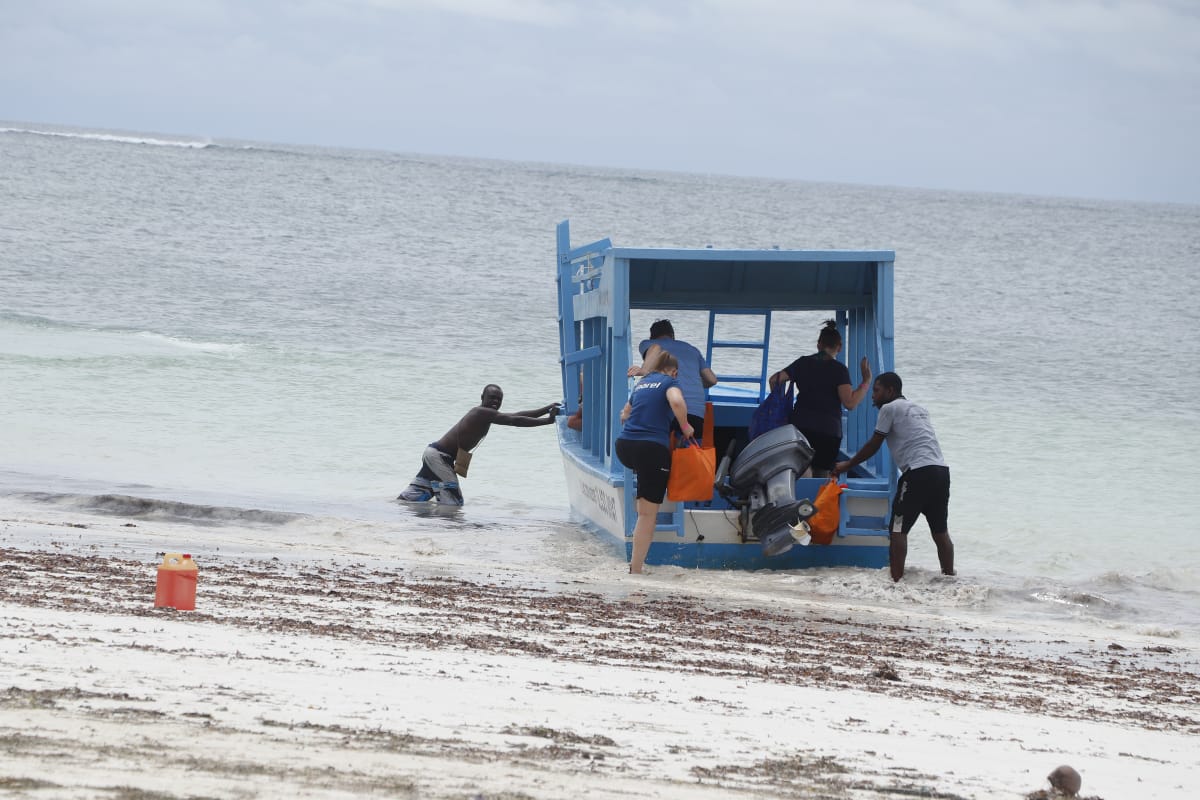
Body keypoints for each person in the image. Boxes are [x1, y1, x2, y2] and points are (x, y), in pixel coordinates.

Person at [833, 372, 954, 582]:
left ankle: (896, 583)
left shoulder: (889, 408)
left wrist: (848, 463)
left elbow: (874, 444)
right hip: (941, 471)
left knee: (897, 529)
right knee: (940, 531)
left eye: (876, 391)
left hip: (918, 473)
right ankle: (949, 579)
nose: (872, 396)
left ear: (890, 391)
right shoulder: (919, 409)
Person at [397, 385, 559, 506]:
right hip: (439, 457)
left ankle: (396, 514)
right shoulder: (481, 412)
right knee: (453, 499)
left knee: (418, 493)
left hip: (436, 455)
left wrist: (546, 409)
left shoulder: (487, 414)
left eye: (499, 399)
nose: (495, 402)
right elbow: (514, 421)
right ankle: (447, 531)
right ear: (482, 397)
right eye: (492, 398)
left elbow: (516, 415)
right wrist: (547, 421)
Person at [616, 353, 693, 574]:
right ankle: (636, 569)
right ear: (674, 371)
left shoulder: (642, 383)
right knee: (648, 514)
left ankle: (636, 563)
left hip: (624, 446)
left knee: (644, 502)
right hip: (650, 449)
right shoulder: (670, 382)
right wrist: (685, 427)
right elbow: (677, 401)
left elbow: (624, 413)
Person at [768, 319, 871, 477]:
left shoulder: (802, 363)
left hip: (800, 428)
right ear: (839, 348)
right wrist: (865, 382)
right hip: (828, 433)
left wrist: (781, 406)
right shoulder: (839, 370)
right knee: (821, 475)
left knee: (800, 470)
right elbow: (850, 403)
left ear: (818, 345)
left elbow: (774, 380)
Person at [628, 319, 717, 436]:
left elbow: (655, 349)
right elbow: (712, 379)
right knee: (690, 449)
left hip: (665, 412)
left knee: (655, 443)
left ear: (652, 336)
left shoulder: (648, 344)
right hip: (695, 414)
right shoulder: (692, 349)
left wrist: (644, 370)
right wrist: (692, 381)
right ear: (672, 335)